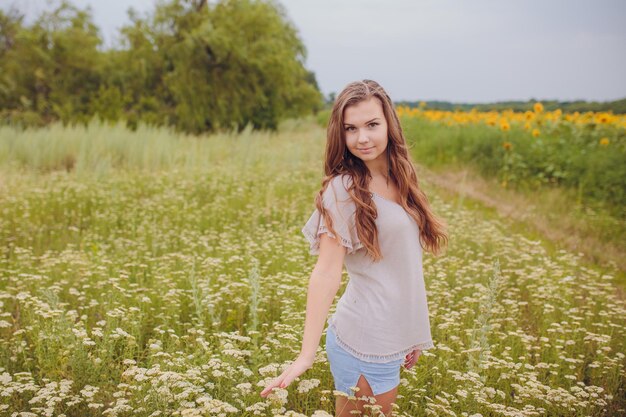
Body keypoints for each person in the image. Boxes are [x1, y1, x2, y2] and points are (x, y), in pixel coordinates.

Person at [260, 79, 448, 416]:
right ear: (340, 134)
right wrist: (306, 354)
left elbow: (404, 269)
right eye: (351, 128)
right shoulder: (343, 189)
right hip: (364, 340)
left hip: (392, 338)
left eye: (372, 125)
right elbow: (326, 272)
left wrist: (412, 334)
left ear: (389, 123)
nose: (362, 137)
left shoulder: (400, 177)